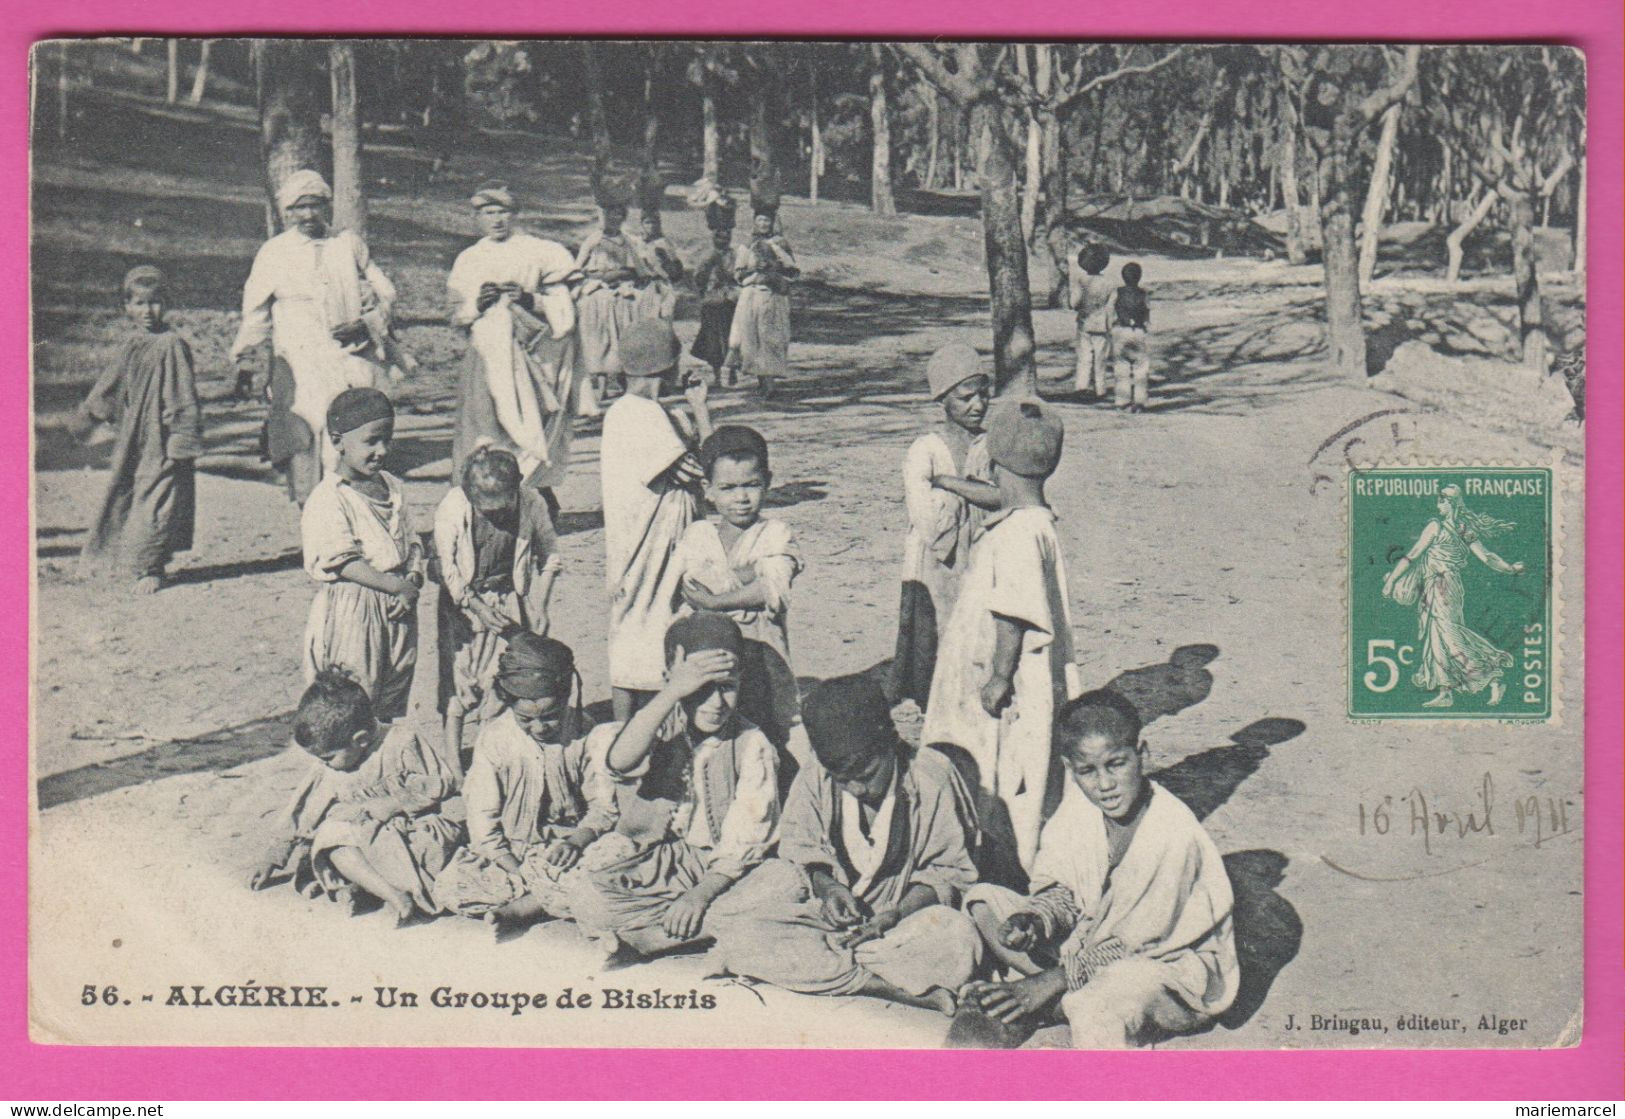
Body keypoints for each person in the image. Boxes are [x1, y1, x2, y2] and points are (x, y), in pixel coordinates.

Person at [961, 698, 1238, 1049]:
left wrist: (1051, 980)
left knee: (1099, 1001)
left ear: (1142, 754)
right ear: (1070, 768)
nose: (1105, 784)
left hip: (1164, 971)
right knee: (983, 902)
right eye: (1088, 771)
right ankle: (1049, 1000)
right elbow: (1066, 892)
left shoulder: (1172, 832)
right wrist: (1034, 919)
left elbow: (1139, 943)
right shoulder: (1079, 809)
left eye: (1116, 764)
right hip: (1090, 945)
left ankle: (1050, 1003)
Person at [709, 673, 981, 1014]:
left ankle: (825, 965)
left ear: (890, 743)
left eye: (866, 775)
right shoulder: (817, 774)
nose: (856, 789)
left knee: (955, 936)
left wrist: (894, 914)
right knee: (736, 921)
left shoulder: (931, 776)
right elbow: (799, 847)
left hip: (901, 924)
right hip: (826, 922)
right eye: (842, 780)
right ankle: (884, 986)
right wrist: (827, 888)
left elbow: (949, 870)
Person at [923, 401, 1078, 882]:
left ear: (993, 463)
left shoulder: (1013, 536)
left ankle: (1001, 861)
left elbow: (1012, 612)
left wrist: (998, 675)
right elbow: (1002, 498)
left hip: (1003, 673)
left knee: (997, 762)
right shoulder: (1035, 519)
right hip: (1028, 671)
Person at [570, 612, 779, 957]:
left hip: (722, 872)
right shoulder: (660, 723)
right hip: (663, 862)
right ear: (672, 679)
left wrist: (699, 895)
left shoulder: (751, 743)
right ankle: (689, 926)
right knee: (589, 898)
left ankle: (656, 936)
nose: (716, 703)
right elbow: (620, 762)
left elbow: (745, 841)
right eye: (700, 689)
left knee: (777, 886)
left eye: (726, 688)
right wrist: (671, 693)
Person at [435, 634, 621, 936]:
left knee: (613, 861)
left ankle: (529, 905)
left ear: (565, 698)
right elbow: (482, 822)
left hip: (567, 846)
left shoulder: (584, 730)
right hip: (514, 853)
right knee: (452, 885)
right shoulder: (495, 740)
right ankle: (545, 895)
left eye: (550, 717)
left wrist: (576, 841)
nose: (540, 728)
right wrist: (515, 866)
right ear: (509, 705)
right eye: (526, 720)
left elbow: (603, 806)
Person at [231, 170, 398, 505]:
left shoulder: (347, 244)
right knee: (305, 431)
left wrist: (366, 323)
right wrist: (245, 359)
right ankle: (314, 515)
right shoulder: (275, 252)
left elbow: (386, 294)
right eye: (299, 207)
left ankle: (353, 510)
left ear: (327, 205)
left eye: (316, 205)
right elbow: (256, 313)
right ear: (288, 211)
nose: (308, 215)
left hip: (348, 351)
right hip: (300, 354)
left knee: (349, 430)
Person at [248, 670, 463, 925]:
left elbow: (442, 782)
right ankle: (394, 896)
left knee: (433, 859)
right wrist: (273, 856)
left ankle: (367, 887)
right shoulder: (330, 767)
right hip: (362, 841)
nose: (324, 765)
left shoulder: (401, 742)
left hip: (409, 836)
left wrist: (394, 804)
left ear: (360, 740)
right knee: (331, 842)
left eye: (328, 758)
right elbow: (303, 808)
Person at [447, 182, 585, 515]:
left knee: (533, 424)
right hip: (487, 355)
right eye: (488, 213)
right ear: (477, 218)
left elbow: (565, 308)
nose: (496, 220)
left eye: (502, 212)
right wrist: (476, 305)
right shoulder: (469, 259)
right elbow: (455, 314)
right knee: (486, 425)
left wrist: (529, 299)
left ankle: (537, 493)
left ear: (514, 215)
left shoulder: (539, 251)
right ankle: (490, 496)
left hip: (532, 357)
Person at [600, 320, 713, 724]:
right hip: (645, 542)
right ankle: (630, 728)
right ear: (664, 367)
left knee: (647, 627)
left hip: (654, 538)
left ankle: (640, 726)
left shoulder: (648, 413)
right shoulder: (637, 415)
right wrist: (701, 410)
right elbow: (705, 469)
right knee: (643, 625)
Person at [675, 425, 807, 770]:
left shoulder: (775, 533)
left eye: (751, 485)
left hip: (762, 655)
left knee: (769, 731)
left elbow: (774, 587)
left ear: (767, 481)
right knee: (713, 729)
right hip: (714, 660)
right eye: (728, 488)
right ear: (708, 490)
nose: (741, 498)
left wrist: (717, 602)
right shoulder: (698, 535)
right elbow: (689, 584)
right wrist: (748, 577)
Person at [73, 265, 202, 594]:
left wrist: (182, 438)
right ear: (127, 307)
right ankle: (123, 558)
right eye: (139, 304)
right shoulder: (131, 345)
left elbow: (183, 395)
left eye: (156, 302)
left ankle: (152, 566)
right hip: (134, 436)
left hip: (164, 437)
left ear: (167, 304)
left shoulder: (172, 345)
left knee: (159, 497)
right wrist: (89, 416)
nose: (148, 311)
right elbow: (110, 385)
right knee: (128, 493)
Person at [433, 446, 562, 771]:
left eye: (502, 510)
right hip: (462, 604)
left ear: (517, 486)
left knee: (501, 673)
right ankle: (453, 758)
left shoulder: (532, 502)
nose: (496, 518)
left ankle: (488, 751)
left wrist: (540, 603)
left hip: (508, 599)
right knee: (459, 675)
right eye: (486, 512)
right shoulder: (454, 507)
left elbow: (549, 555)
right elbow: (447, 567)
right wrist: (474, 605)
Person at [301, 388, 424, 723]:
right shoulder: (330, 497)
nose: (381, 451)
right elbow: (342, 561)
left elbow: (412, 543)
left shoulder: (393, 486)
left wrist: (412, 579)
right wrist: (394, 586)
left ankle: (383, 763)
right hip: (355, 607)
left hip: (399, 605)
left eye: (387, 439)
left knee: (394, 687)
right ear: (338, 441)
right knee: (354, 693)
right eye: (371, 442)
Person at [889, 343, 999, 707]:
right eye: (966, 397)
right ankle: (934, 699)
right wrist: (969, 499)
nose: (977, 405)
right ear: (943, 400)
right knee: (938, 623)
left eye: (983, 394)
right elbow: (926, 519)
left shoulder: (992, 444)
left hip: (985, 547)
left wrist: (950, 484)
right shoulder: (926, 449)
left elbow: (1004, 496)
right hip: (939, 556)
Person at [1382, 484, 1524, 708]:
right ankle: (1445, 692)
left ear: (1452, 503)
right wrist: (1392, 580)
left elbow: (1486, 557)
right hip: (1433, 587)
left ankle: (1493, 678)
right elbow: (1413, 556)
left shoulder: (1448, 528)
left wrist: (1510, 569)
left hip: (1446, 587)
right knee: (1436, 636)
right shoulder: (1450, 527)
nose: (1438, 504)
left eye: (1442, 500)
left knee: (1450, 635)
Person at [725, 203, 798, 398]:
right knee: (752, 339)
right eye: (760, 220)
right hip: (752, 296)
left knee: (771, 338)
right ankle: (761, 380)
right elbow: (738, 274)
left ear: (773, 223)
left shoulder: (780, 243)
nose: (764, 224)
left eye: (767, 220)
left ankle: (770, 384)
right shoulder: (747, 245)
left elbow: (792, 271)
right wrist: (754, 272)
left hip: (774, 296)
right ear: (754, 222)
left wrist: (775, 271)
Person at [573, 200, 644, 397]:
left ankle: (619, 373)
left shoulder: (627, 241)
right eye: (608, 215)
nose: (612, 219)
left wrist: (623, 275)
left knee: (630, 310)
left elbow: (639, 269)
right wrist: (600, 277)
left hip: (620, 287)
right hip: (597, 288)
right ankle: (597, 377)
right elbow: (577, 269)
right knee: (596, 317)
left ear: (622, 218)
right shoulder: (593, 241)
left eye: (617, 215)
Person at [690, 198, 740, 385]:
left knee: (732, 336)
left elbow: (740, 274)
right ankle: (717, 371)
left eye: (726, 234)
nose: (723, 238)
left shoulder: (734, 254)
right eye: (719, 235)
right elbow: (698, 277)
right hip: (712, 299)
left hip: (731, 299)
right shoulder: (707, 254)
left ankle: (731, 368)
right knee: (711, 337)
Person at [1070, 244, 1114, 400]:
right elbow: (1111, 306)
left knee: (1084, 356)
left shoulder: (1081, 281)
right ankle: (1100, 388)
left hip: (1085, 323)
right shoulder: (1109, 283)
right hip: (1102, 324)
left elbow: (1074, 303)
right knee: (1101, 357)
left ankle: (1081, 386)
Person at [631, 206, 687, 324]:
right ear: (642, 224)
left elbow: (677, 273)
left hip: (663, 285)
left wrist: (665, 259)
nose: (651, 226)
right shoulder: (637, 243)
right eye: (647, 222)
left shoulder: (664, 243)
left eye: (654, 222)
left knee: (664, 317)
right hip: (643, 286)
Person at [1111, 262, 1153, 413]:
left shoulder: (1117, 292)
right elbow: (1147, 313)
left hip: (1121, 330)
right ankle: (1140, 402)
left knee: (1121, 366)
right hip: (1139, 332)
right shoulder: (1144, 294)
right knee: (1141, 367)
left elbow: (1110, 311)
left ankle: (1123, 401)